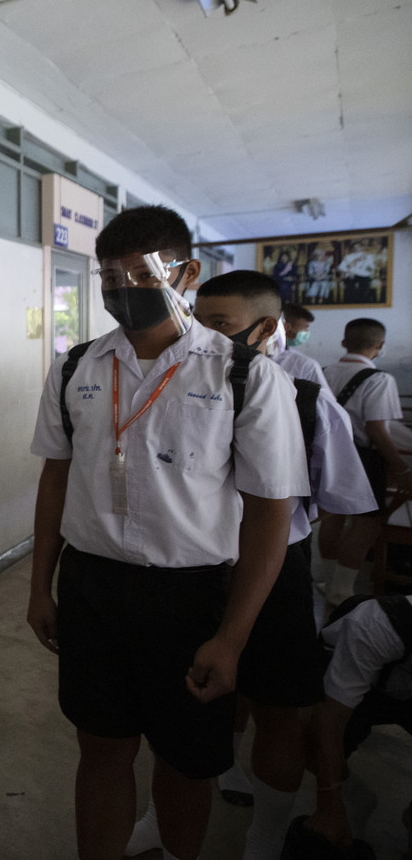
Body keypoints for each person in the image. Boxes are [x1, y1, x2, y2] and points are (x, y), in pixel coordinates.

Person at [28, 206, 307, 860]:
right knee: (100, 748)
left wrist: (233, 636)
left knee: (185, 762)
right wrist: (41, 587)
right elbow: (54, 481)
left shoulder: (243, 376)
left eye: (143, 274)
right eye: (110, 276)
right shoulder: (77, 368)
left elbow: (270, 516)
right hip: (94, 589)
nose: (124, 288)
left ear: (186, 273)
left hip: (193, 596)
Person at [187, 270, 375, 860]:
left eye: (220, 325)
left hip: (274, 566)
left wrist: (311, 560)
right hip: (194, 561)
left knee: (278, 705)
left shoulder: (305, 391)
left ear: (265, 328)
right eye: (198, 321)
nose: (202, 337)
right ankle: (193, 792)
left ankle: (265, 837)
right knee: (194, 694)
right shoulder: (180, 375)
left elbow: (339, 495)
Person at [299, 594, 412, 859]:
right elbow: (330, 721)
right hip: (364, 679)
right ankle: (357, 799)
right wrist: (330, 801)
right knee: (305, 741)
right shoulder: (377, 624)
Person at [320, 319, 412, 606]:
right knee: (366, 524)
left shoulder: (323, 372)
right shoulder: (380, 380)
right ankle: (342, 589)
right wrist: (400, 465)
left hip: (327, 453)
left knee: (332, 516)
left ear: (344, 342)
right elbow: (376, 429)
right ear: (379, 346)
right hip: (363, 457)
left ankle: (326, 580)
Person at [279, 303, 328, 388]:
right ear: (287, 327)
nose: (306, 332)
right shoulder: (306, 365)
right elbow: (325, 400)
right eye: (305, 327)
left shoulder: (300, 361)